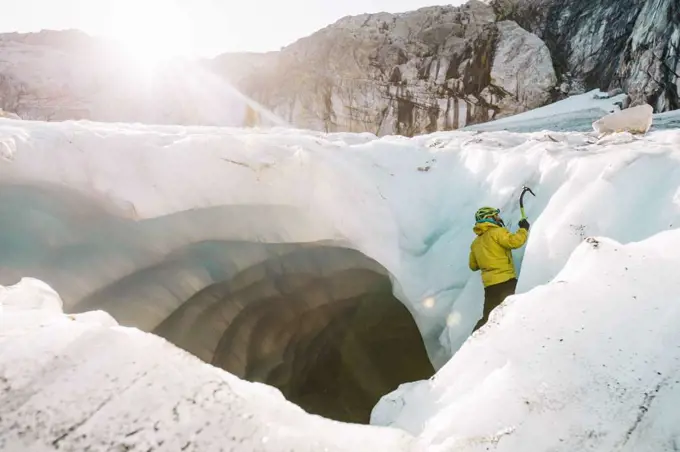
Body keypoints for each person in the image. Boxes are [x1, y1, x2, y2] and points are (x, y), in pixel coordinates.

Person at [469, 207, 530, 332]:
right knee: (518, 311)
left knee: (488, 318)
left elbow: (473, 266)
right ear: (489, 218)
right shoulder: (497, 232)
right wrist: (523, 229)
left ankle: (473, 341)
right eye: (495, 215)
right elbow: (514, 242)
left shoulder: (475, 243)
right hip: (506, 281)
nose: (498, 218)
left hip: (490, 286)